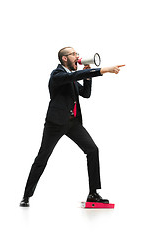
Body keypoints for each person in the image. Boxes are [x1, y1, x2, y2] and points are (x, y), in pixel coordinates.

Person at [20, 47, 125, 207]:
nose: (78, 56)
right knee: (42, 158)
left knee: (92, 150)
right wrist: (104, 70)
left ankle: (93, 193)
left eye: (77, 54)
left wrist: (88, 78)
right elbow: (75, 75)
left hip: (73, 123)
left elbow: (86, 94)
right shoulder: (57, 75)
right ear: (64, 58)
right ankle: (26, 196)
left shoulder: (71, 78)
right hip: (55, 124)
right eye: (74, 54)